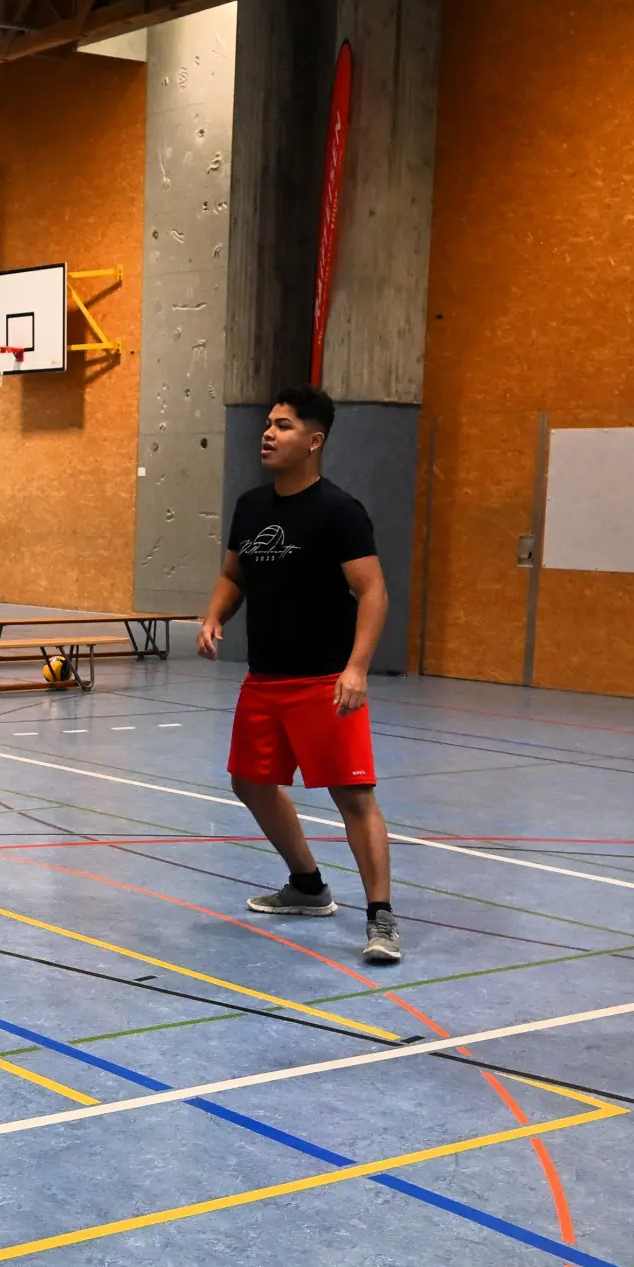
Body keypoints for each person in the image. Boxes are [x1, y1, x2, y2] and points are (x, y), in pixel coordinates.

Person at [196, 385, 399, 965]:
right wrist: (214, 614)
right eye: (268, 423)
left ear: (314, 441)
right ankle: (307, 886)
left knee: (353, 796)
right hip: (265, 679)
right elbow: (234, 575)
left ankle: (381, 917)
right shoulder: (251, 506)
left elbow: (373, 591)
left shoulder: (339, 511)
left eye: (283, 425)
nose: (268, 433)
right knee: (249, 782)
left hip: (324, 682)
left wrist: (356, 668)